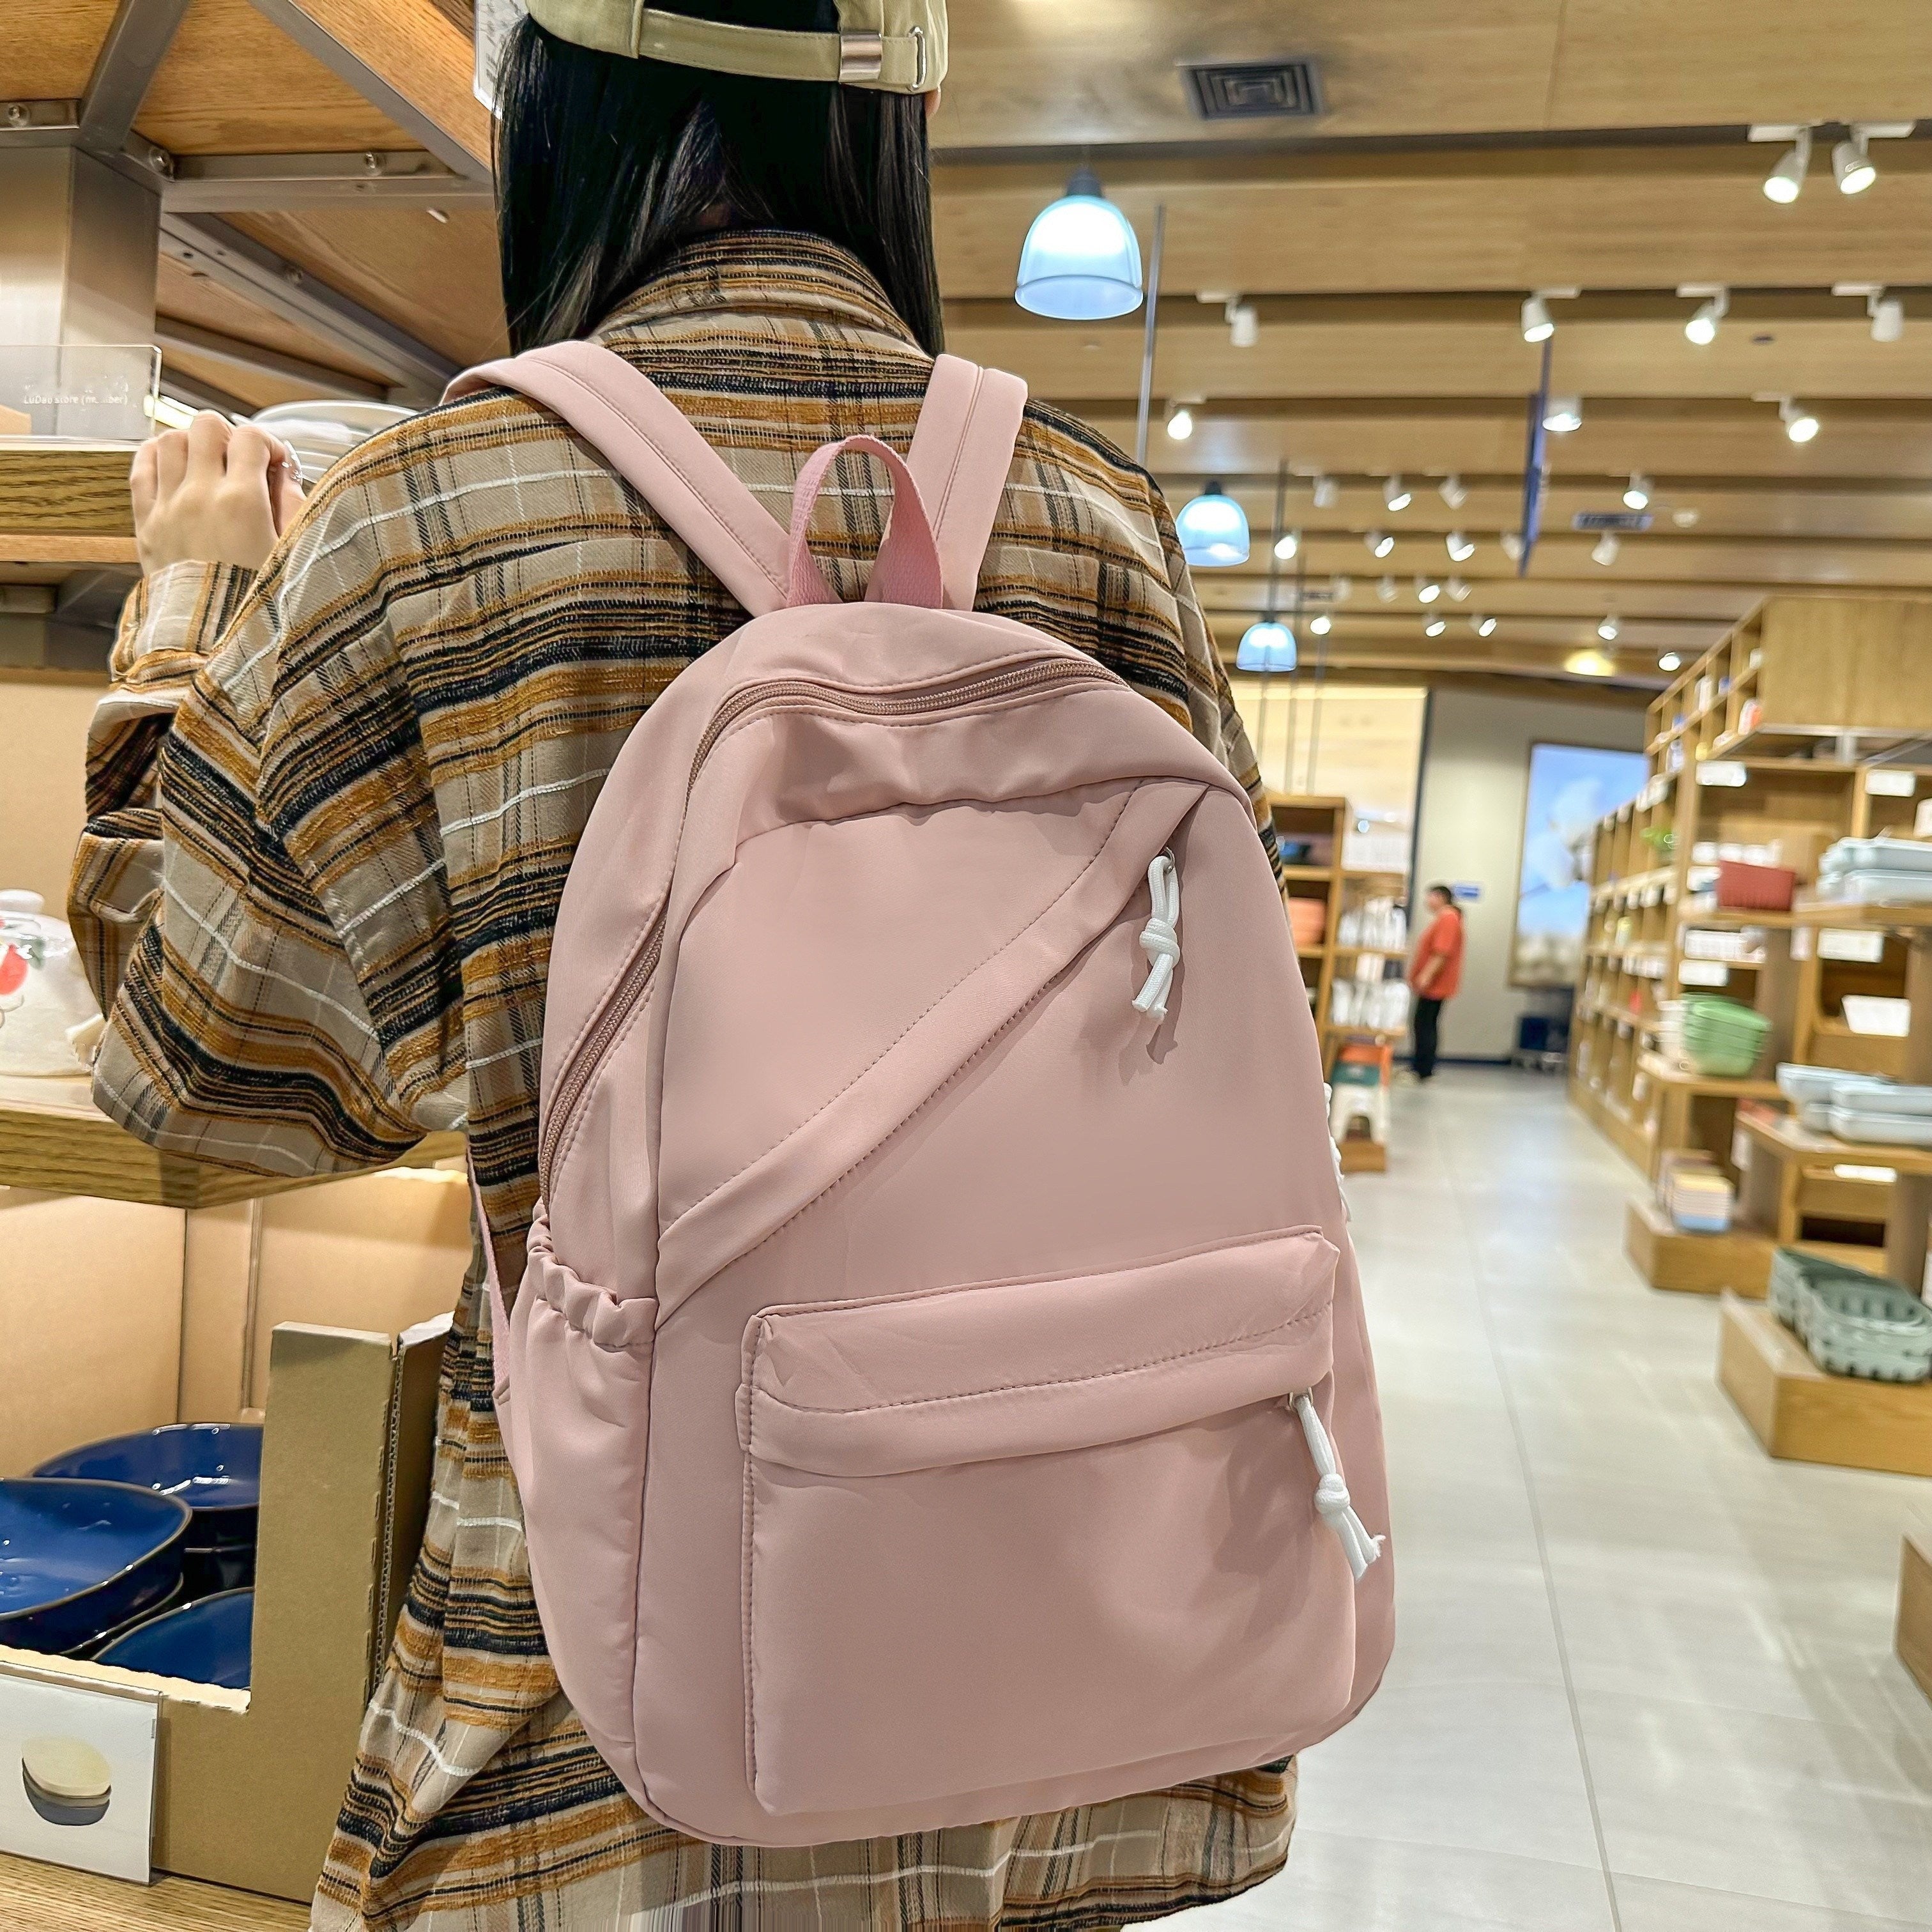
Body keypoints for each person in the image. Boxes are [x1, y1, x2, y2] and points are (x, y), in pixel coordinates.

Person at [68, 3, 1294, 1924]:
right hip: (1061, 1670)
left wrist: (191, 609)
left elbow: (209, 1086)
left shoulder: (429, 522)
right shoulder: (1103, 526)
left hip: (607, 1717)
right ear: (902, 116)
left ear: (551, 100)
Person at [1407, 882, 1465, 1082]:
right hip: (1433, 984)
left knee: (1425, 1024)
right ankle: (1421, 1067)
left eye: (1430, 896)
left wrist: (1426, 975)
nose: (1427, 901)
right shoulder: (1445, 918)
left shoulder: (1448, 918)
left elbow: (1441, 952)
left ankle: (1423, 1070)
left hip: (1435, 985)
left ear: (1440, 897)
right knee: (1425, 1024)